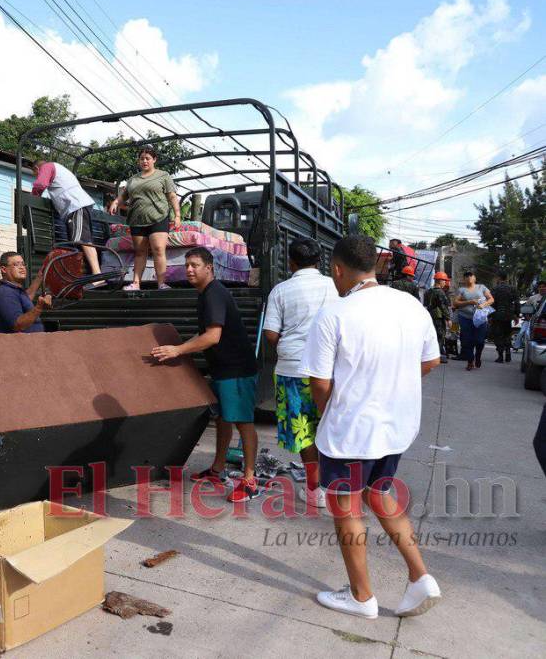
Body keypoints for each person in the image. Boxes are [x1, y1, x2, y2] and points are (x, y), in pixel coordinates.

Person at [301, 235, 442, 620]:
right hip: (395, 427)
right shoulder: (411, 305)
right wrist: (392, 386)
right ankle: (420, 576)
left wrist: (330, 413)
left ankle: (362, 597)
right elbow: (430, 361)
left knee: (346, 508)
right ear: (376, 267)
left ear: (338, 269)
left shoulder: (334, 314)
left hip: (350, 433)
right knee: (381, 494)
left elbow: (319, 382)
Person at [151, 247, 259, 503]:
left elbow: (213, 336)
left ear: (209, 268)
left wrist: (178, 350)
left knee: (243, 422)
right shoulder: (206, 294)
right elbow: (207, 336)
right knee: (223, 419)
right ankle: (217, 470)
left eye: (195, 265)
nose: (189, 269)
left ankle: (251, 481)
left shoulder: (213, 294)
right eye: (187, 264)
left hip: (237, 370)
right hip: (223, 369)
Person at [262, 237, 338, 509]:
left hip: (293, 369)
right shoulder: (335, 286)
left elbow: (270, 333)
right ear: (320, 261)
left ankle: (315, 489)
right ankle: (339, 485)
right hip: (331, 369)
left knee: (304, 430)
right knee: (332, 426)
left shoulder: (281, 290)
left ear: (291, 261)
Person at [108, 146, 182, 291]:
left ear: (154, 160)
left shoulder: (163, 175)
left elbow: (172, 196)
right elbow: (124, 195)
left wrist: (177, 215)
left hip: (159, 217)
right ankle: (136, 283)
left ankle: (161, 283)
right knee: (140, 252)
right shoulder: (133, 179)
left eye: (148, 158)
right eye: (142, 158)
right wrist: (116, 202)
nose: (144, 161)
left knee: (158, 249)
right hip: (137, 219)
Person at [32, 160, 103, 281]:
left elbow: (40, 184)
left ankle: (98, 276)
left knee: (82, 240)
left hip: (76, 206)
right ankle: (91, 276)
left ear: (36, 168)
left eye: (35, 173)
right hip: (77, 207)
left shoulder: (47, 166)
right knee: (80, 241)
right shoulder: (60, 169)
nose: (36, 175)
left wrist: (32, 198)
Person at [0, 251, 52, 333]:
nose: (22, 267)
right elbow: (17, 324)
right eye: (16, 264)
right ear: (4, 269)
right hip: (20, 345)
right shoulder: (5, 293)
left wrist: (40, 276)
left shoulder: (15, 290)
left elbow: (27, 297)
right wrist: (39, 307)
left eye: (23, 264)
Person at [453, 271, 494, 371]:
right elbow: (455, 302)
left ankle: (478, 356)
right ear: (464, 279)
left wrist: (483, 305)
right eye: (466, 276)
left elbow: (491, 299)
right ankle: (470, 361)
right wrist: (469, 302)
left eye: (471, 276)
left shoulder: (481, 287)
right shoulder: (462, 290)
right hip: (465, 318)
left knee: (480, 341)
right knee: (467, 340)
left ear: (475, 278)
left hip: (480, 318)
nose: (469, 278)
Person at [490, 271, 520, 363]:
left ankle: (500, 356)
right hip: (508, 315)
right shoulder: (512, 289)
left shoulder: (495, 289)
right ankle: (508, 354)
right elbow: (517, 303)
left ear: (499, 278)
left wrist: (490, 316)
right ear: (506, 278)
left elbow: (491, 303)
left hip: (497, 315)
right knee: (507, 334)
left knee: (498, 335)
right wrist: (516, 315)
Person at [423, 272, 452, 363]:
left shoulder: (428, 291)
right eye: (444, 281)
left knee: (431, 336)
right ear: (440, 281)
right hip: (438, 318)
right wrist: (448, 319)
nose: (445, 283)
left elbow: (426, 304)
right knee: (439, 336)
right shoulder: (440, 292)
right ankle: (436, 356)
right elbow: (443, 306)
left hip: (429, 317)